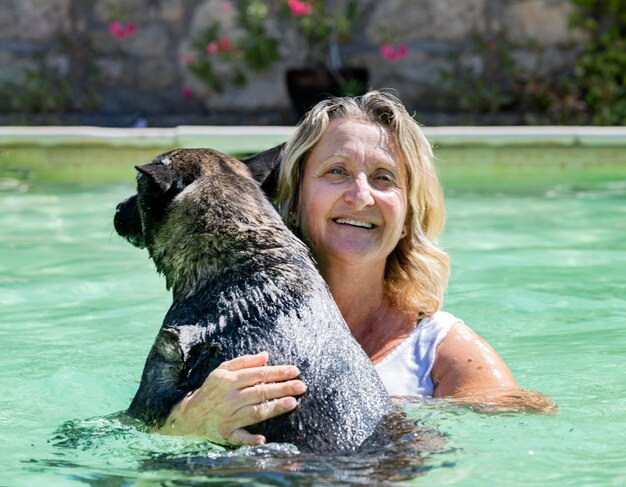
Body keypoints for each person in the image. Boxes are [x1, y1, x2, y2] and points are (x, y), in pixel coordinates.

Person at [159, 91, 555, 445]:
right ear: (294, 201)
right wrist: (188, 422)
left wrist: (395, 416)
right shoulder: (227, 327)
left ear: (407, 216)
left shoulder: (441, 351)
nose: (361, 196)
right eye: (337, 172)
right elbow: (127, 436)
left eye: (383, 179)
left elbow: (532, 423)